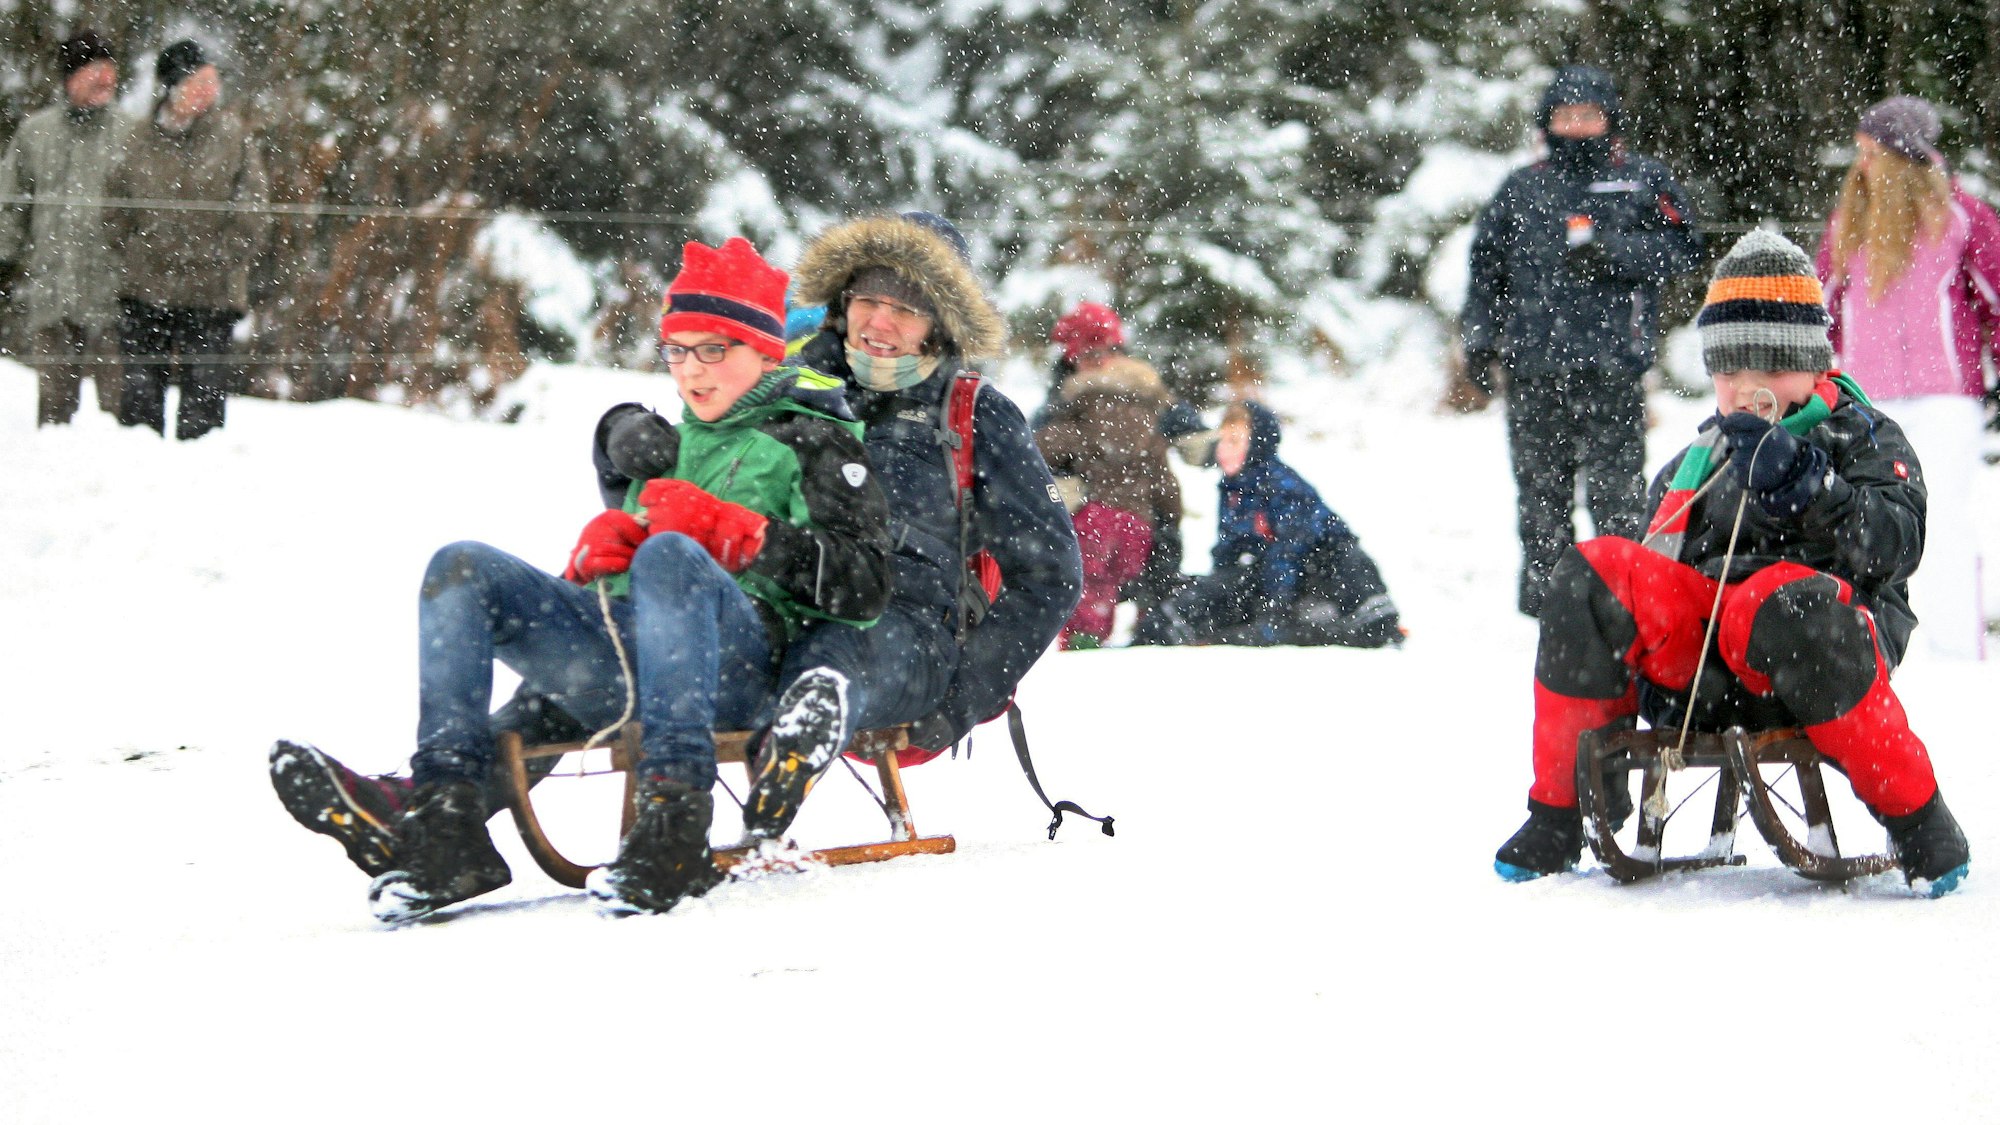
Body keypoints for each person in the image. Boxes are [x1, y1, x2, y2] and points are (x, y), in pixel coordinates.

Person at [271, 212, 1080, 869]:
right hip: (750, 607)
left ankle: (794, 741)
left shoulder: (971, 415)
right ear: (842, 299)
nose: (880, 321)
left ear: (941, 323)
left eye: (906, 307)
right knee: (591, 666)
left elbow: (1052, 577)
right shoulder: (787, 382)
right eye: (869, 297)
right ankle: (425, 809)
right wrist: (621, 449)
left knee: (845, 653)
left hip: (897, 623)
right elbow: (695, 482)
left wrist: (958, 703)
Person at [270, 236, 893, 920]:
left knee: (670, 558)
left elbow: (864, 587)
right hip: (632, 662)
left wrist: (750, 539)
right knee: (462, 565)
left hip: (741, 674)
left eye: (715, 348)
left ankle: (674, 820)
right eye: (678, 349)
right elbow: (639, 570)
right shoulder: (670, 444)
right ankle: (444, 818)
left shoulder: (816, 436)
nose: (693, 370)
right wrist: (602, 562)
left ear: (764, 351)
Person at [1493, 230, 1970, 897]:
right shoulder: (1699, 460)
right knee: (1593, 570)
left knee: (1778, 597)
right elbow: (1647, 571)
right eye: (1730, 371)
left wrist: (1811, 488)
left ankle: (1917, 815)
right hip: (1709, 670)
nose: (1748, 388)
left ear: (1810, 363)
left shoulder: (1859, 434)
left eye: (1771, 367)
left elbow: (1896, 544)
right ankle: (1560, 809)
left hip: (1822, 653)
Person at [1461, 64, 1703, 617]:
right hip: (1533, 366)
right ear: (1547, 123)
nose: (1576, 126)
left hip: (1612, 364)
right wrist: (1479, 341)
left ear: (1609, 121)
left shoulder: (1640, 180)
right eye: (1565, 116)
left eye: (1588, 115)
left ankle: (1621, 596)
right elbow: (1486, 272)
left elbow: (1685, 247)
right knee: (1540, 492)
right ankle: (1552, 607)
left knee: (1617, 491)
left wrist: (1615, 251)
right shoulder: (1521, 188)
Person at [1815, 95, 2000, 661]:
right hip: (1869, 400)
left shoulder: (1964, 217)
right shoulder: (1848, 225)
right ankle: (1875, 647)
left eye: (1872, 151)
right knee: (1869, 522)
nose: (1862, 163)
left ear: (1905, 155)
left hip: (1945, 397)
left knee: (1939, 519)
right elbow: (1820, 310)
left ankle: (1956, 649)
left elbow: (1996, 298)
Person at [1132, 400, 1402, 649]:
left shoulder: (1279, 485)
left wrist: (1274, 609)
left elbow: (1288, 551)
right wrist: (1213, 596)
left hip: (1316, 575)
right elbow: (1230, 551)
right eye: (1222, 441)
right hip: (1269, 576)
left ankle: (1351, 623)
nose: (1223, 450)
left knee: (1342, 563)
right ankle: (1169, 629)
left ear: (1256, 445)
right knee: (1212, 593)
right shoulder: (1234, 488)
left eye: (1234, 441)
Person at [106, 40, 269, 441]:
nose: (210, 91)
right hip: (145, 290)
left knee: (204, 415)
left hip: (212, 294)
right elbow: (113, 212)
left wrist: (212, 258)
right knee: (139, 408)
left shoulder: (234, 139)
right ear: (172, 87)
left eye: (214, 82)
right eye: (201, 81)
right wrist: (143, 252)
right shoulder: (136, 139)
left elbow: (252, 216)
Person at [1041, 301, 1213, 621]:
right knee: (1131, 575)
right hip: (1126, 516)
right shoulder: (1079, 393)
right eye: (1086, 354)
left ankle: (1115, 628)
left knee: (1094, 582)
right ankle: (1152, 621)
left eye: (1104, 351)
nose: (1098, 361)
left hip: (1101, 517)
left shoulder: (1140, 389)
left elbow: (1039, 444)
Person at [0, 30, 136, 426]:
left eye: (110, 71)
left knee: (119, 412)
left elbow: (151, 214)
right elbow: (11, 207)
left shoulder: (132, 134)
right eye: (95, 70)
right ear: (69, 77)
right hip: (53, 287)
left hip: (114, 291)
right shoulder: (35, 133)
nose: (105, 79)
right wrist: (5, 261)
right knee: (55, 409)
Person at [1035, 352, 1181, 648]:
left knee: (1091, 583)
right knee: (1122, 583)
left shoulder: (1087, 410)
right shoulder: (1149, 422)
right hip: (1137, 525)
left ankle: (1083, 638)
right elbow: (1166, 484)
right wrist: (1171, 519)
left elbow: (1043, 446)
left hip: (1095, 519)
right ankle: (1146, 630)